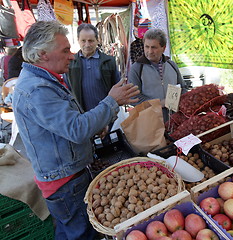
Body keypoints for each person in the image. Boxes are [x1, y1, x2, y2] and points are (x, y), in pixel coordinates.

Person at [12, 21, 139, 240]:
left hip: (66, 176)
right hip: (65, 183)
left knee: (69, 231)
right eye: (65, 50)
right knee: (81, 234)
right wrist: (111, 102)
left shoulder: (45, 79)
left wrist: (94, 127)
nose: (71, 55)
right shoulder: (37, 89)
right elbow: (75, 129)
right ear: (43, 54)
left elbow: (66, 126)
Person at [128, 28, 187, 122]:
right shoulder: (137, 68)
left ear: (163, 48)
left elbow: (183, 88)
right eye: (147, 46)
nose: (149, 51)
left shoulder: (171, 65)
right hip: (150, 123)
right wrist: (160, 103)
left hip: (174, 121)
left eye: (154, 47)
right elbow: (134, 97)